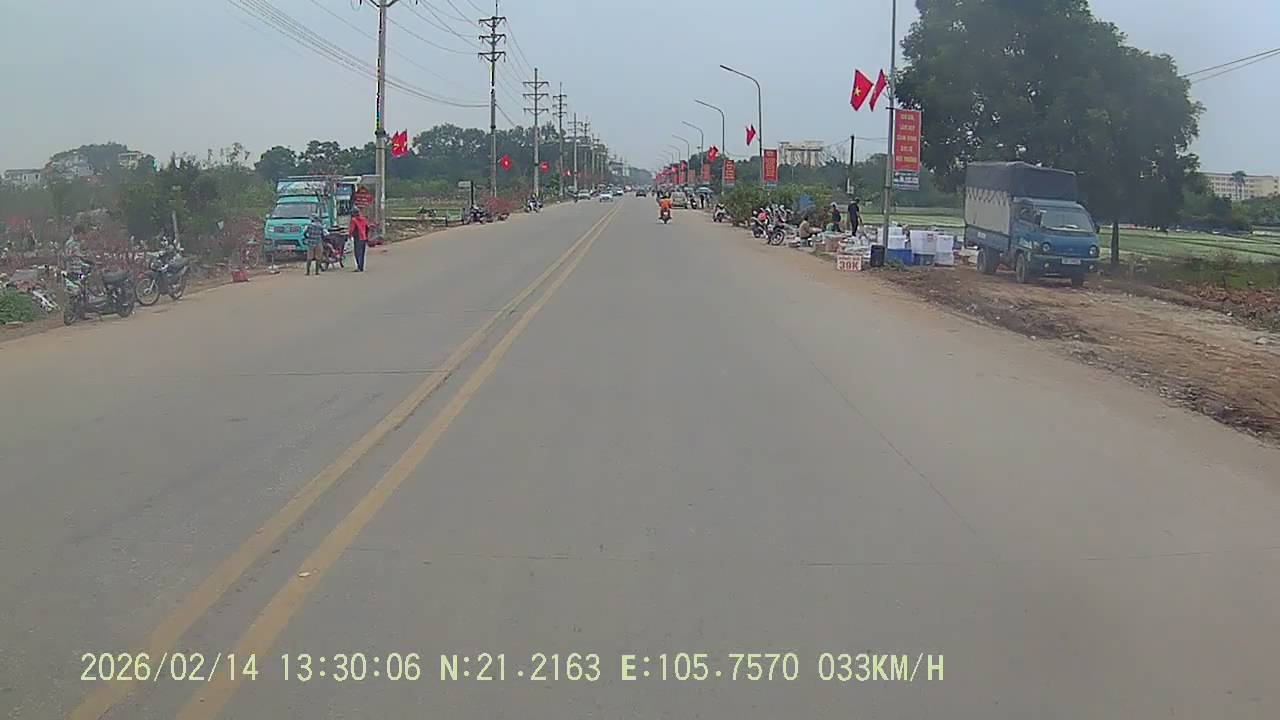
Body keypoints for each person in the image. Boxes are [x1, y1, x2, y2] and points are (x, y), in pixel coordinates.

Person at [348, 206, 369, 272]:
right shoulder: (363, 219)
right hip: (364, 238)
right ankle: (361, 267)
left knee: (357, 253)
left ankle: (359, 267)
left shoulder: (354, 220)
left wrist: (349, 235)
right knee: (362, 253)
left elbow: (352, 229)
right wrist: (366, 236)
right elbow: (367, 228)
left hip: (358, 238)